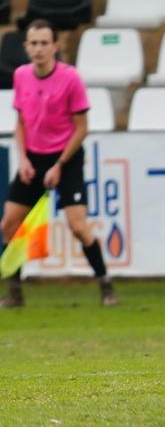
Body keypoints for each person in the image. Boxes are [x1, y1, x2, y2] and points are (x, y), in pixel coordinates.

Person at [1, 20, 115, 309]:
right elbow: (21, 123)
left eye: (43, 43)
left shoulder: (70, 78)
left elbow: (81, 127)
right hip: (34, 158)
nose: (38, 49)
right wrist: (24, 158)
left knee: (77, 225)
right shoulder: (21, 76)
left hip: (67, 157)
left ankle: (105, 283)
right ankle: (15, 290)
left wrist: (60, 164)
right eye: (33, 43)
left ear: (55, 46)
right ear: (26, 47)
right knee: (10, 224)